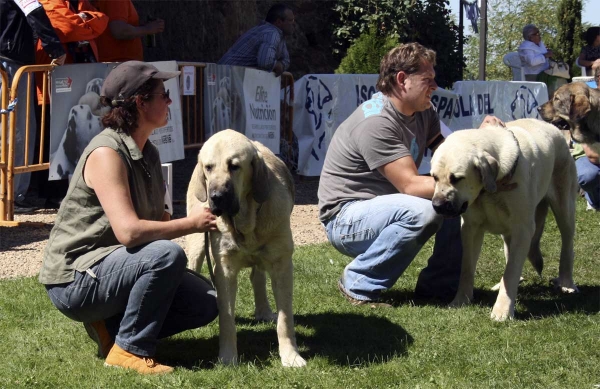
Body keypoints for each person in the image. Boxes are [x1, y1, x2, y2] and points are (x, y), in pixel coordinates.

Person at [39, 61, 219, 374]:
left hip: (112, 266)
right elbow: (130, 233)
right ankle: (128, 350)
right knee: (166, 256)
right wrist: (192, 224)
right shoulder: (106, 153)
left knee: (206, 301)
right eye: (163, 95)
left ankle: (111, 326)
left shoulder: (148, 152)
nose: (169, 102)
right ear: (140, 102)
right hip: (74, 279)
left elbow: (156, 222)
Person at [318, 42, 507, 306]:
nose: (435, 86)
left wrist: (480, 136)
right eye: (427, 79)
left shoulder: (424, 111)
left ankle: (438, 288)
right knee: (429, 208)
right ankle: (358, 282)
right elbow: (409, 185)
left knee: (453, 200)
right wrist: (474, 182)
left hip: (382, 208)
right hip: (345, 219)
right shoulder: (376, 122)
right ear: (402, 79)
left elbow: (452, 156)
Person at [32, 0, 107, 209]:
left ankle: (79, 186)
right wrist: (87, 22)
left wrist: (86, 21)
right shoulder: (49, 1)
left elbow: (102, 22)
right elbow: (66, 27)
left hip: (78, 77)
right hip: (53, 79)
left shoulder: (81, 1)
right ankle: (51, 193)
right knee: (51, 135)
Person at [0, 0, 66, 213]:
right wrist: (55, 49)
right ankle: (12, 196)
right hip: (11, 60)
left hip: (8, 59)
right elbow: (34, 12)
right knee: (17, 129)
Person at [218, 3, 294, 77]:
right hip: (225, 76)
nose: (293, 23)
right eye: (291, 20)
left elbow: (286, 60)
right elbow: (265, 62)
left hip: (234, 76)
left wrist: (281, 65)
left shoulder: (279, 35)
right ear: (279, 22)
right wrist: (278, 65)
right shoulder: (271, 33)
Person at [93, 0, 165, 62]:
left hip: (116, 65)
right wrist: (147, 29)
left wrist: (142, 28)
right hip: (121, 65)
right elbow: (119, 31)